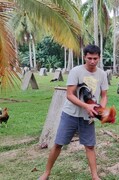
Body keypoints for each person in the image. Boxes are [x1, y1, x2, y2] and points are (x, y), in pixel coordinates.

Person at [39, 45, 108, 180]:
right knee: (58, 143)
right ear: (84, 57)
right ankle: (46, 173)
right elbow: (70, 95)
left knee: (89, 146)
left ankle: (95, 176)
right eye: (89, 58)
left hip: (88, 117)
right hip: (70, 114)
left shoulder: (102, 74)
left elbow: (104, 95)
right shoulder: (76, 71)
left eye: (95, 58)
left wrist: (100, 109)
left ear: (99, 58)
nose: (92, 61)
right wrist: (86, 106)